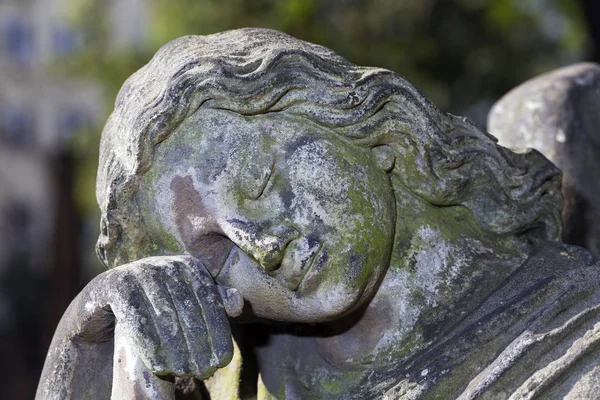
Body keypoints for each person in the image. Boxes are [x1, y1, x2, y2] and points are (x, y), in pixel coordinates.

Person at [38, 28, 600, 399]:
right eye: (216, 257)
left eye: (257, 182)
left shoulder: (579, 333)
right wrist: (91, 338)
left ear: (358, 123)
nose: (263, 246)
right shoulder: (243, 385)